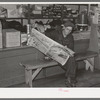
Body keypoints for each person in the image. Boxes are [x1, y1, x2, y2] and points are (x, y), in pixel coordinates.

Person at [45, 19, 77, 87]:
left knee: (72, 60)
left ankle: (69, 78)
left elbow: (71, 48)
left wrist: (67, 50)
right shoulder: (56, 33)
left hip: (63, 55)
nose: (68, 32)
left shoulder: (70, 37)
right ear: (63, 27)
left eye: (70, 30)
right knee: (72, 62)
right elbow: (45, 37)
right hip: (54, 54)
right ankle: (71, 79)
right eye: (67, 29)